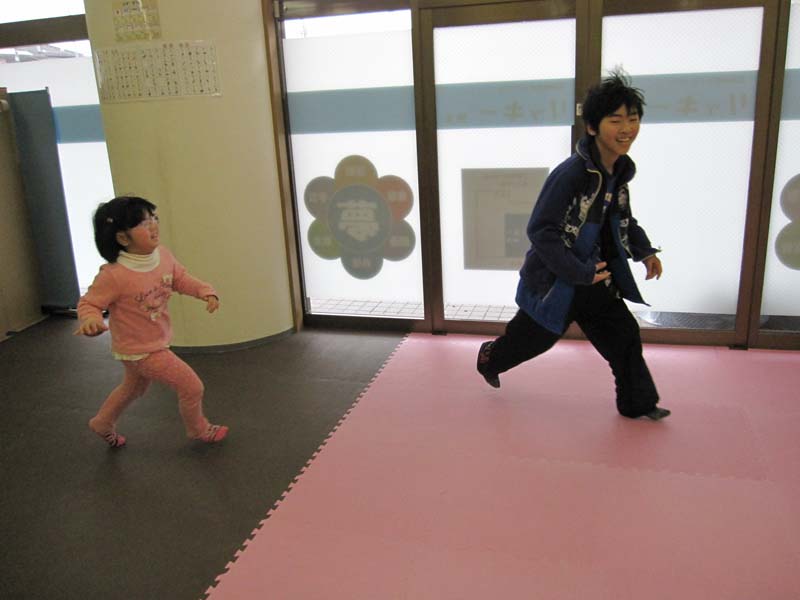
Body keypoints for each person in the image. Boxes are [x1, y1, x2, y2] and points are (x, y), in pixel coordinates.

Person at [476, 69, 670, 421]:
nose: (627, 128)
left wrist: (645, 252)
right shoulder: (571, 174)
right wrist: (578, 272)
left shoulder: (618, 173)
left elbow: (623, 220)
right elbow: (541, 230)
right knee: (533, 340)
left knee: (624, 335)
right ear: (593, 127)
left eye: (633, 119)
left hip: (598, 278)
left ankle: (637, 404)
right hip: (559, 279)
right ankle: (491, 357)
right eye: (616, 120)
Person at [76, 195, 229, 447]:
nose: (154, 226)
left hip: (146, 344)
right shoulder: (114, 275)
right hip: (142, 350)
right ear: (123, 238)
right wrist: (90, 320)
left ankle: (102, 422)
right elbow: (89, 303)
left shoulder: (163, 256)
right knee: (192, 387)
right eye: (144, 223)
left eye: (154, 218)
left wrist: (205, 291)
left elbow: (181, 279)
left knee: (134, 388)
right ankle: (199, 429)